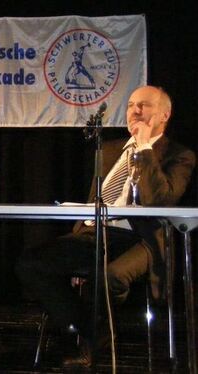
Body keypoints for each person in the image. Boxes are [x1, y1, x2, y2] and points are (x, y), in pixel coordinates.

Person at [15, 85, 196, 367]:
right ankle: (86, 331)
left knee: (109, 276)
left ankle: (93, 350)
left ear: (165, 114)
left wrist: (145, 147)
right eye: (131, 105)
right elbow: (94, 201)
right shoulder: (110, 150)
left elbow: (158, 199)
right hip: (96, 234)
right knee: (31, 263)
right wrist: (80, 234)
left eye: (144, 105)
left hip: (141, 238)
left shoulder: (179, 155)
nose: (135, 111)